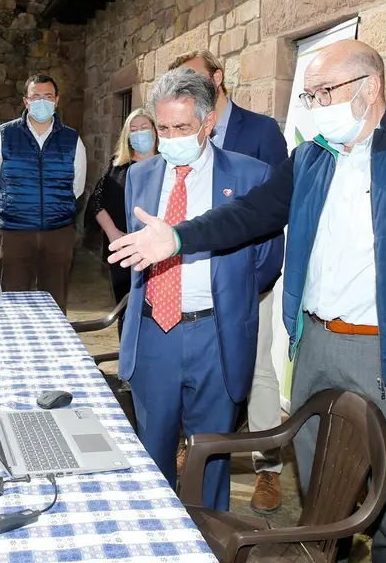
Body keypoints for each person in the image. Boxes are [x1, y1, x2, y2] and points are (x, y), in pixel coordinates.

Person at [109, 40, 386, 563]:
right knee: (319, 485)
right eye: (309, 95)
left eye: (324, 91)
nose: (315, 105)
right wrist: (176, 238)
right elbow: (250, 214)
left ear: (369, 87)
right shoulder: (310, 159)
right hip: (315, 345)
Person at [120, 68, 282, 510]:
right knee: (152, 453)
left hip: (216, 334)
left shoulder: (251, 175)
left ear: (208, 123)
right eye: (164, 127)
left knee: (210, 456)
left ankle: (209, 539)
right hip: (155, 334)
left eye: (182, 128)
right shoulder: (141, 176)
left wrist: (228, 296)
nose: (171, 137)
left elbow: (266, 261)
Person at [168, 50, 289, 513]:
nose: (187, 88)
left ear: (218, 79)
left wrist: (254, 282)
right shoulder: (175, 137)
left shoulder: (259, 132)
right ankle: (195, 446)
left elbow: (271, 214)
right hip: (184, 281)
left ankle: (267, 468)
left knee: (256, 370)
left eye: (195, 78)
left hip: (244, 281)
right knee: (190, 372)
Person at [0, 74, 86, 313]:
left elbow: (77, 187)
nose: (42, 101)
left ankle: (53, 347)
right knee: (11, 299)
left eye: (48, 96)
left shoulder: (72, 139)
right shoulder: (4, 135)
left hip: (57, 233)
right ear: (25, 101)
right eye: (36, 96)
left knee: (54, 301)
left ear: (57, 101)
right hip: (14, 233)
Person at [86, 108, 157, 316]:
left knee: (154, 309)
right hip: (122, 248)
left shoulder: (168, 164)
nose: (139, 133)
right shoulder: (117, 165)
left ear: (155, 131)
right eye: (133, 129)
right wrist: (113, 234)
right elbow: (96, 202)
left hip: (158, 248)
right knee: (125, 309)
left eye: (144, 127)